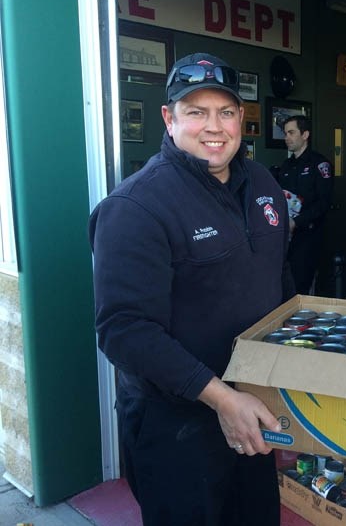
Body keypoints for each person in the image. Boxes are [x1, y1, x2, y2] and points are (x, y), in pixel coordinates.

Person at [89, 53, 295, 526]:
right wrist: (221, 398)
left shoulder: (263, 184)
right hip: (176, 423)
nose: (213, 127)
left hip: (252, 407)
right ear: (169, 117)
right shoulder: (136, 206)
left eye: (225, 111)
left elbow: (278, 281)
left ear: (242, 117)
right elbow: (123, 331)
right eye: (195, 112)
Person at [276, 115, 334, 294]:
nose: (287, 137)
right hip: (285, 237)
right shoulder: (286, 165)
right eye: (286, 133)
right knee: (284, 285)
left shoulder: (319, 164)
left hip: (309, 236)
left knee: (301, 286)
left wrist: (297, 222)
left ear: (305, 134)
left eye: (291, 132)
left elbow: (324, 203)